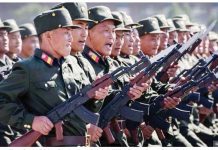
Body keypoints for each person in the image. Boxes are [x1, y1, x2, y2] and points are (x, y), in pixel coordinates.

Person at [0, 8, 107, 147]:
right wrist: (31, 121)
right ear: (48, 36)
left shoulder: (73, 64)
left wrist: (97, 98)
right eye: (66, 33)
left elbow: (88, 108)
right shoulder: (28, 68)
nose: (71, 38)